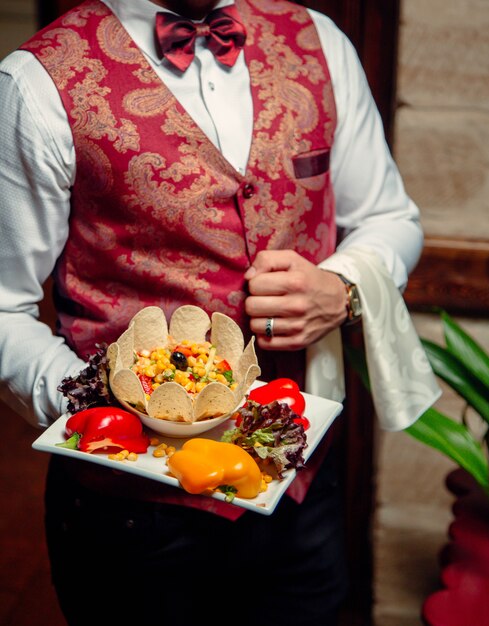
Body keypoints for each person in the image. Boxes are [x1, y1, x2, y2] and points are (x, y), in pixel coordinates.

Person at [0, 1, 427, 624]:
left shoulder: (319, 42)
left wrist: (343, 287)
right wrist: (95, 411)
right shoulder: (36, 80)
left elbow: (390, 219)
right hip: (133, 522)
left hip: (301, 486)